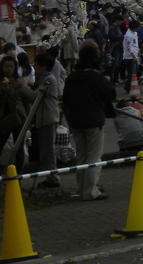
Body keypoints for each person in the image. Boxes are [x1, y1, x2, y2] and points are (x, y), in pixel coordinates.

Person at [61, 44, 116, 200]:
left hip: (75, 121)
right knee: (94, 157)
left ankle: (81, 189)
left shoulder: (72, 77)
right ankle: (90, 191)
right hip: (93, 120)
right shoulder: (95, 77)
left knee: (81, 156)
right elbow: (111, 93)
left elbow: (65, 99)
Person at [0, 55, 35, 177]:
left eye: (11, 66)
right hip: (3, 119)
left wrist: (29, 119)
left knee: (18, 148)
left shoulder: (19, 81)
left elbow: (26, 101)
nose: (8, 69)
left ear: (15, 67)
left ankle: (18, 176)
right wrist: (2, 91)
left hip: (18, 118)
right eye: (6, 67)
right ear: (1, 68)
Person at [32, 53, 64, 188]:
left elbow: (35, 96)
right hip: (45, 118)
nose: (35, 67)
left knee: (48, 149)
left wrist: (22, 87)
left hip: (48, 118)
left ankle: (53, 177)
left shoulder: (48, 80)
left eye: (37, 65)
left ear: (43, 66)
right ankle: (51, 175)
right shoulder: (45, 79)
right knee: (46, 149)